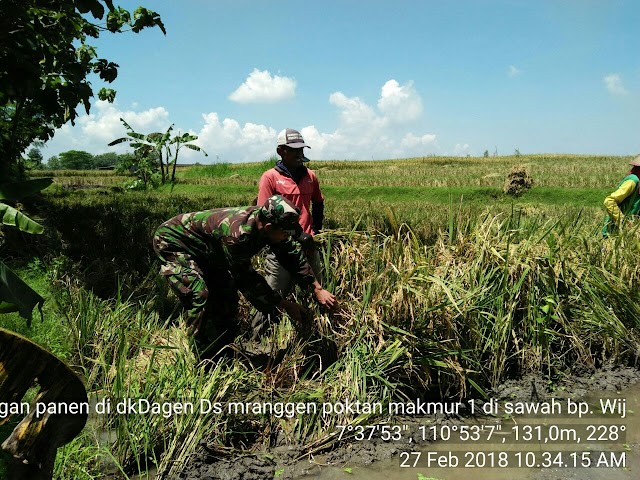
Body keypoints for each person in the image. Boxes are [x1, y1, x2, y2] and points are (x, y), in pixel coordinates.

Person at [152, 195, 336, 357]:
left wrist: (316, 288)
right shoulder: (238, 235)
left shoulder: (270, 225)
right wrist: (283, 304)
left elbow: (291, 254)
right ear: (269, 227)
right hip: (174, 243)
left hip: (207, 248)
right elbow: (247, 281)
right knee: (199, 295)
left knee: (227, 292)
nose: (288, 236)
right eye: (285, 233)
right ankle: (201, 356)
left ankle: (224, 346)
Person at [253, 128, 326, 336]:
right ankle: (259, 338)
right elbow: (265, 214)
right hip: (280, 246)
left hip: (308, 246)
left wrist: (315, 231)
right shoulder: (270, 178)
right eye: (293, 150)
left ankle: (317, 334)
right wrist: (296, 234)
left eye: (301, 148)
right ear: (281, 151)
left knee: (317, 290)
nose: (298, 153)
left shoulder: (310, 176)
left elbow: (318, 203)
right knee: (273, 294)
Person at [602, 154, 640, 237]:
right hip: (614, 235)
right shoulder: (633, 181)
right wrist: (624, 223)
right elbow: (609, 201)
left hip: (629, 235)